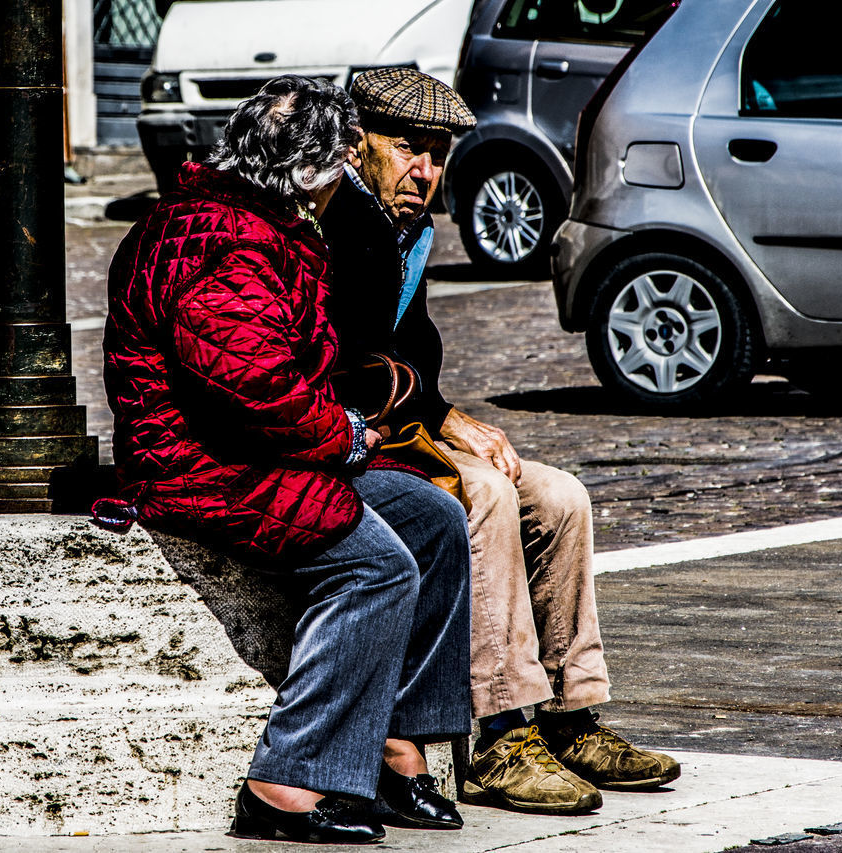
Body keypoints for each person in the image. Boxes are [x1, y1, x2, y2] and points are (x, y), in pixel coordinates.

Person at [102, 75, 471, 843]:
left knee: (435, 519)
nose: (343, 176)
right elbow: (257, 391)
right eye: (337, 161)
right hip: (204, 466)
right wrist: (343, 435)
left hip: (263, 453)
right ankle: (285, 779)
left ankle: (398, 744)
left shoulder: (262, 222)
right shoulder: (217, 239)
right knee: (375, 564)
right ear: (308, 168)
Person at [321, 67, 681, 816]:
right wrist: (443, 417)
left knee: (559, 496)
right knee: (481, 493)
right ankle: (500, 731)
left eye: (437, 153)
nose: (424, 170)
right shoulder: (339, 219)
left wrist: (442, 411)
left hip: (402, 420)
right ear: (358, 146)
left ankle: (570, 713)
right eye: (405, 149)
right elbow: (352, 361)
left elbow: (411, 349)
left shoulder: (406, 227)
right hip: (348, 436)